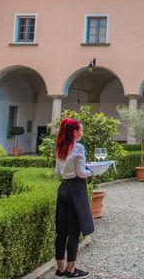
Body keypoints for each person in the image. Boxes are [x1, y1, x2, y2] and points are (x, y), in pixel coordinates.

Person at [54, 118, 94, 278]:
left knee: (61, 231)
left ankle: (60, 269)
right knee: (74, 231)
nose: (82, 133)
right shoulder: (78, 148)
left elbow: (58, 172)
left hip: (63, 189)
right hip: (76, 190)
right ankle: (71, 270)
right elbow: (81, 173)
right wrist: (94, 171)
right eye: (81, 130)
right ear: (75, 133)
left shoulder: (59, 147)